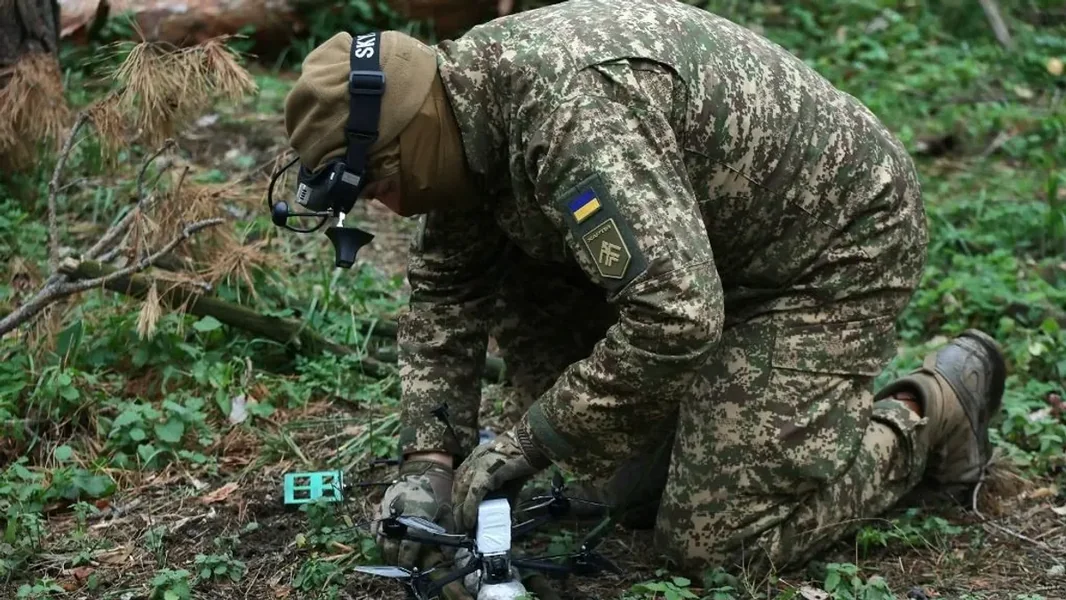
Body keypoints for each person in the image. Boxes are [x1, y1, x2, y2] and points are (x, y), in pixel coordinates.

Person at [282, 0, 1007, 583]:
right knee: (607, 487)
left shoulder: (565, 115)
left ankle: (929, 408)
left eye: (379, 185)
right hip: (702, 260)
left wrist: (533, 438)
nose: (387, 208)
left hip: (828, 253)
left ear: (411, 135)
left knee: (714, 541)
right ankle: (712, 423)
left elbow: (677, 317)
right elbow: (446, 296)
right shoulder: (459, 118)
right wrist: (428, 463)